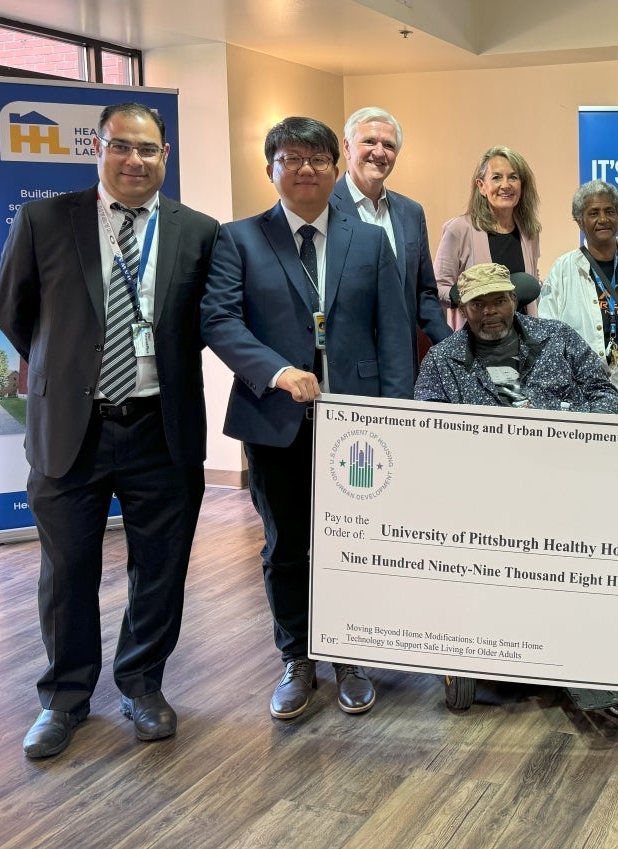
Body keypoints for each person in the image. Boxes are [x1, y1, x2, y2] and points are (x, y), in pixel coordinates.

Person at [0, 102, 220, 758]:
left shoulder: (196, 231)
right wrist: (69, 368)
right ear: (99, 147)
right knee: (67, 571)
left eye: (149, 150)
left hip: (162, 426)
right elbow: (17, 313)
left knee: (161, 567)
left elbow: (210, 320)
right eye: (122, 146)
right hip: (73, 425)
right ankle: (64, 699)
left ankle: (142, 684)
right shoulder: (44, 220)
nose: (135, 161)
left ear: (165, 157)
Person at [415, 263, 618, 733]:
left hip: (570, 485)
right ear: (464, 310)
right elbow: (425, 436)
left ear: (515, 300)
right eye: (478, 304)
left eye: (498, 300)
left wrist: (550, 414)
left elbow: (607, 400)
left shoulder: (559, 338)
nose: (490, 312)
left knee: (613, 550)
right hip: (489, 501)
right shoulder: (441, 361)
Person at [201, 117, 414, 721]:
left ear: (335, 165)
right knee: (287, 544)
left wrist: (393, 414)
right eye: (291, 158)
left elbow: (393, 333)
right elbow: (220, 320)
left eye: (318, 158)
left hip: (358, 426)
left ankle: (349, 657)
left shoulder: (368, 241)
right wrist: (274, 370)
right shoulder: (238, 239)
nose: (306, 169)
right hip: (275, 421)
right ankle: (297, 658)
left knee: (355, 544)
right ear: (270, 168)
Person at [331, 106, 451, 360]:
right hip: (345, 363)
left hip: (402, 360)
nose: (379, 152)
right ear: (347, 147)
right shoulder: (324, 209)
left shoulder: (411, 212)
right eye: (369, 141)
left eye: (389, 145)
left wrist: (451, 345)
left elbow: (424, 292)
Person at [540, 180, 618, 405]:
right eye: (593, 213)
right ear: (580, 221)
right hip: (581, 394)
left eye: (610, 211)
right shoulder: (563, 270)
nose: (603, 219)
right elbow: (549, 336)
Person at [434, 145, 541, 331]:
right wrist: (469, 295)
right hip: (477, 341)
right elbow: (438, 286)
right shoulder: (458, 229)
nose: (505, 185)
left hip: (523, 341)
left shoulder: (529, 230)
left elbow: (531, 279)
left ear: (522, 185)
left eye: (513, 177)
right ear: (482, 186)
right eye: (497, 177)